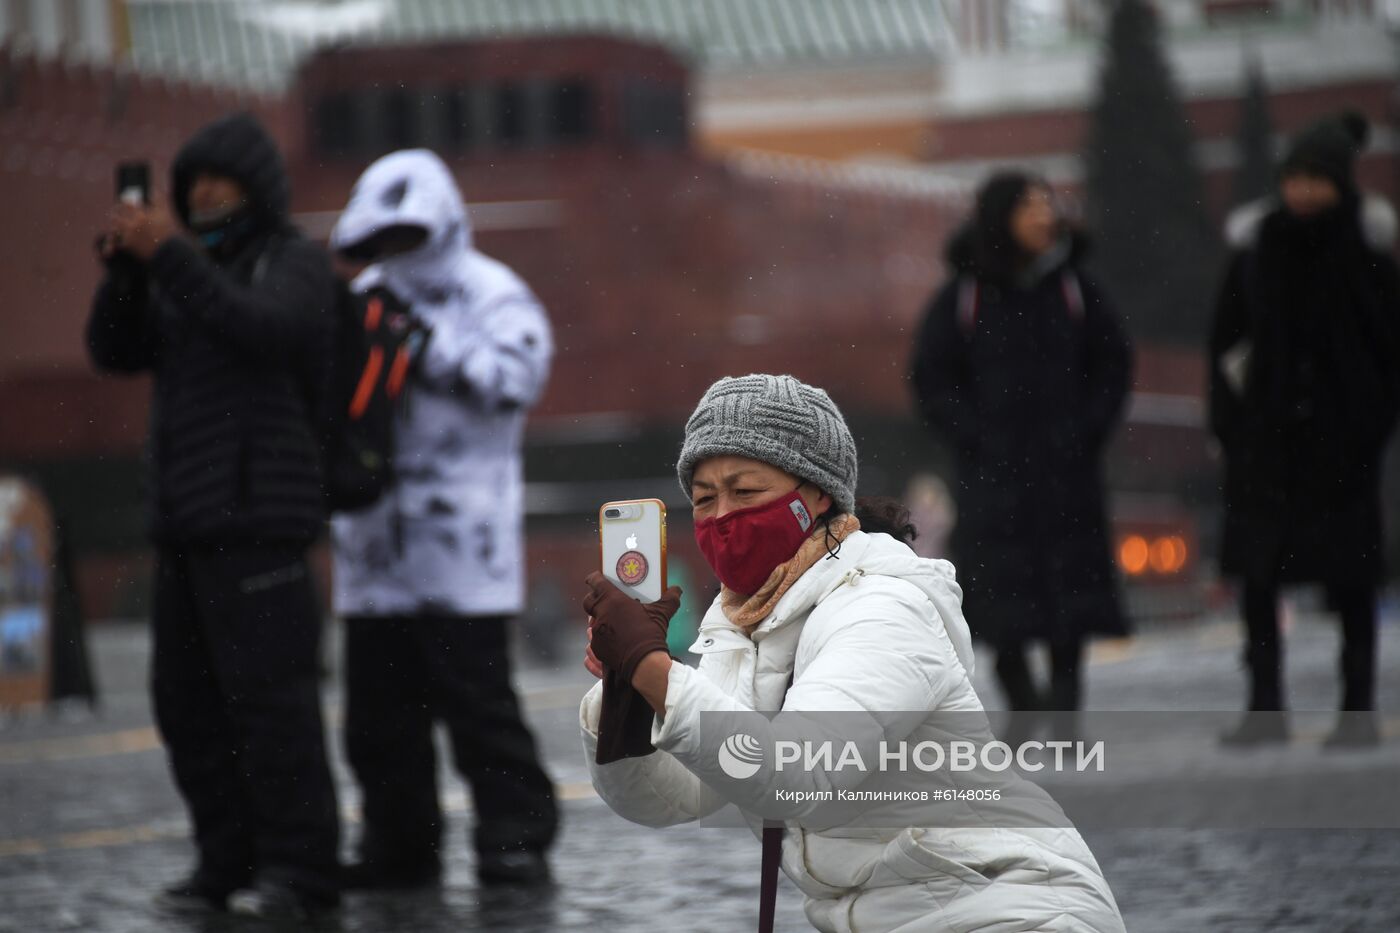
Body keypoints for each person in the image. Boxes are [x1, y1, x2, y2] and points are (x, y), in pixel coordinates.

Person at [579, 374, 1125, 932]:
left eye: (745, 492)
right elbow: (671, 797)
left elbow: (796, 772)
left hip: (1013, 908)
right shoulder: (745, 626)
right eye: (703, 498)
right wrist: (627, 694)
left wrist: (651, 665)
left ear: (817, 495)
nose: (721, 517)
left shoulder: (882, 606)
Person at [85, 112, 340, 920]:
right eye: (190, 182)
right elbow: (113, 351)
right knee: (188, 708)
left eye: (218, 180)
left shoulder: (291, 262)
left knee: (273, 710)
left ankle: (301, 870)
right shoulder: (180, 272)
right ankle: (224, 860)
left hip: (260, 523)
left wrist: (170, 256)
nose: (200, 195)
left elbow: (265, 329)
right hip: (186, 527)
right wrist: (128, 273)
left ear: (256, 187)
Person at [329, 149, 559, 887]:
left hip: (465, 546)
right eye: (383, 240)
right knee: (379, 720)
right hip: (373, 545)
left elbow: (517, 379)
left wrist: (426, 348)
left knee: (479, 707)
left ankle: (515, 835)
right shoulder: (362, 297)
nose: (395, 254)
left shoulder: (493, 293)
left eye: (407, 236)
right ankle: (398, 845)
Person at [910, 172, 1133, 729]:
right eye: (1029, 206)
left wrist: (1085, 431)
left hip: (1066, 472)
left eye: (1046, 204)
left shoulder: (1075, 288)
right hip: (994, 477)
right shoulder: (964, 296)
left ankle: (1066, 709)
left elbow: (1113, 365)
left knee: (1070, 593)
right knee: (996, 598)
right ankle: (1022, 703)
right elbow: (931, 378)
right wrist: (976, 436)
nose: (1043, 216)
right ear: (999, 218)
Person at [1208, 111, 1400, 747]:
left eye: (1318, 178)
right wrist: (1232, 427)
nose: (1305, 191)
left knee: (1352, 583)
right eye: (1295, 178)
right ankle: (1265, 710)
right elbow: (1225, 345)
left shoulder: (1366, 255)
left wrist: (1368, 423)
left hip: (1343, 448)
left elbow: (1387, 350)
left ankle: (1357, 711)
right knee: (1259, 581)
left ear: (1340, 184)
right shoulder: (1256, 252)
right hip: (1266, 447)